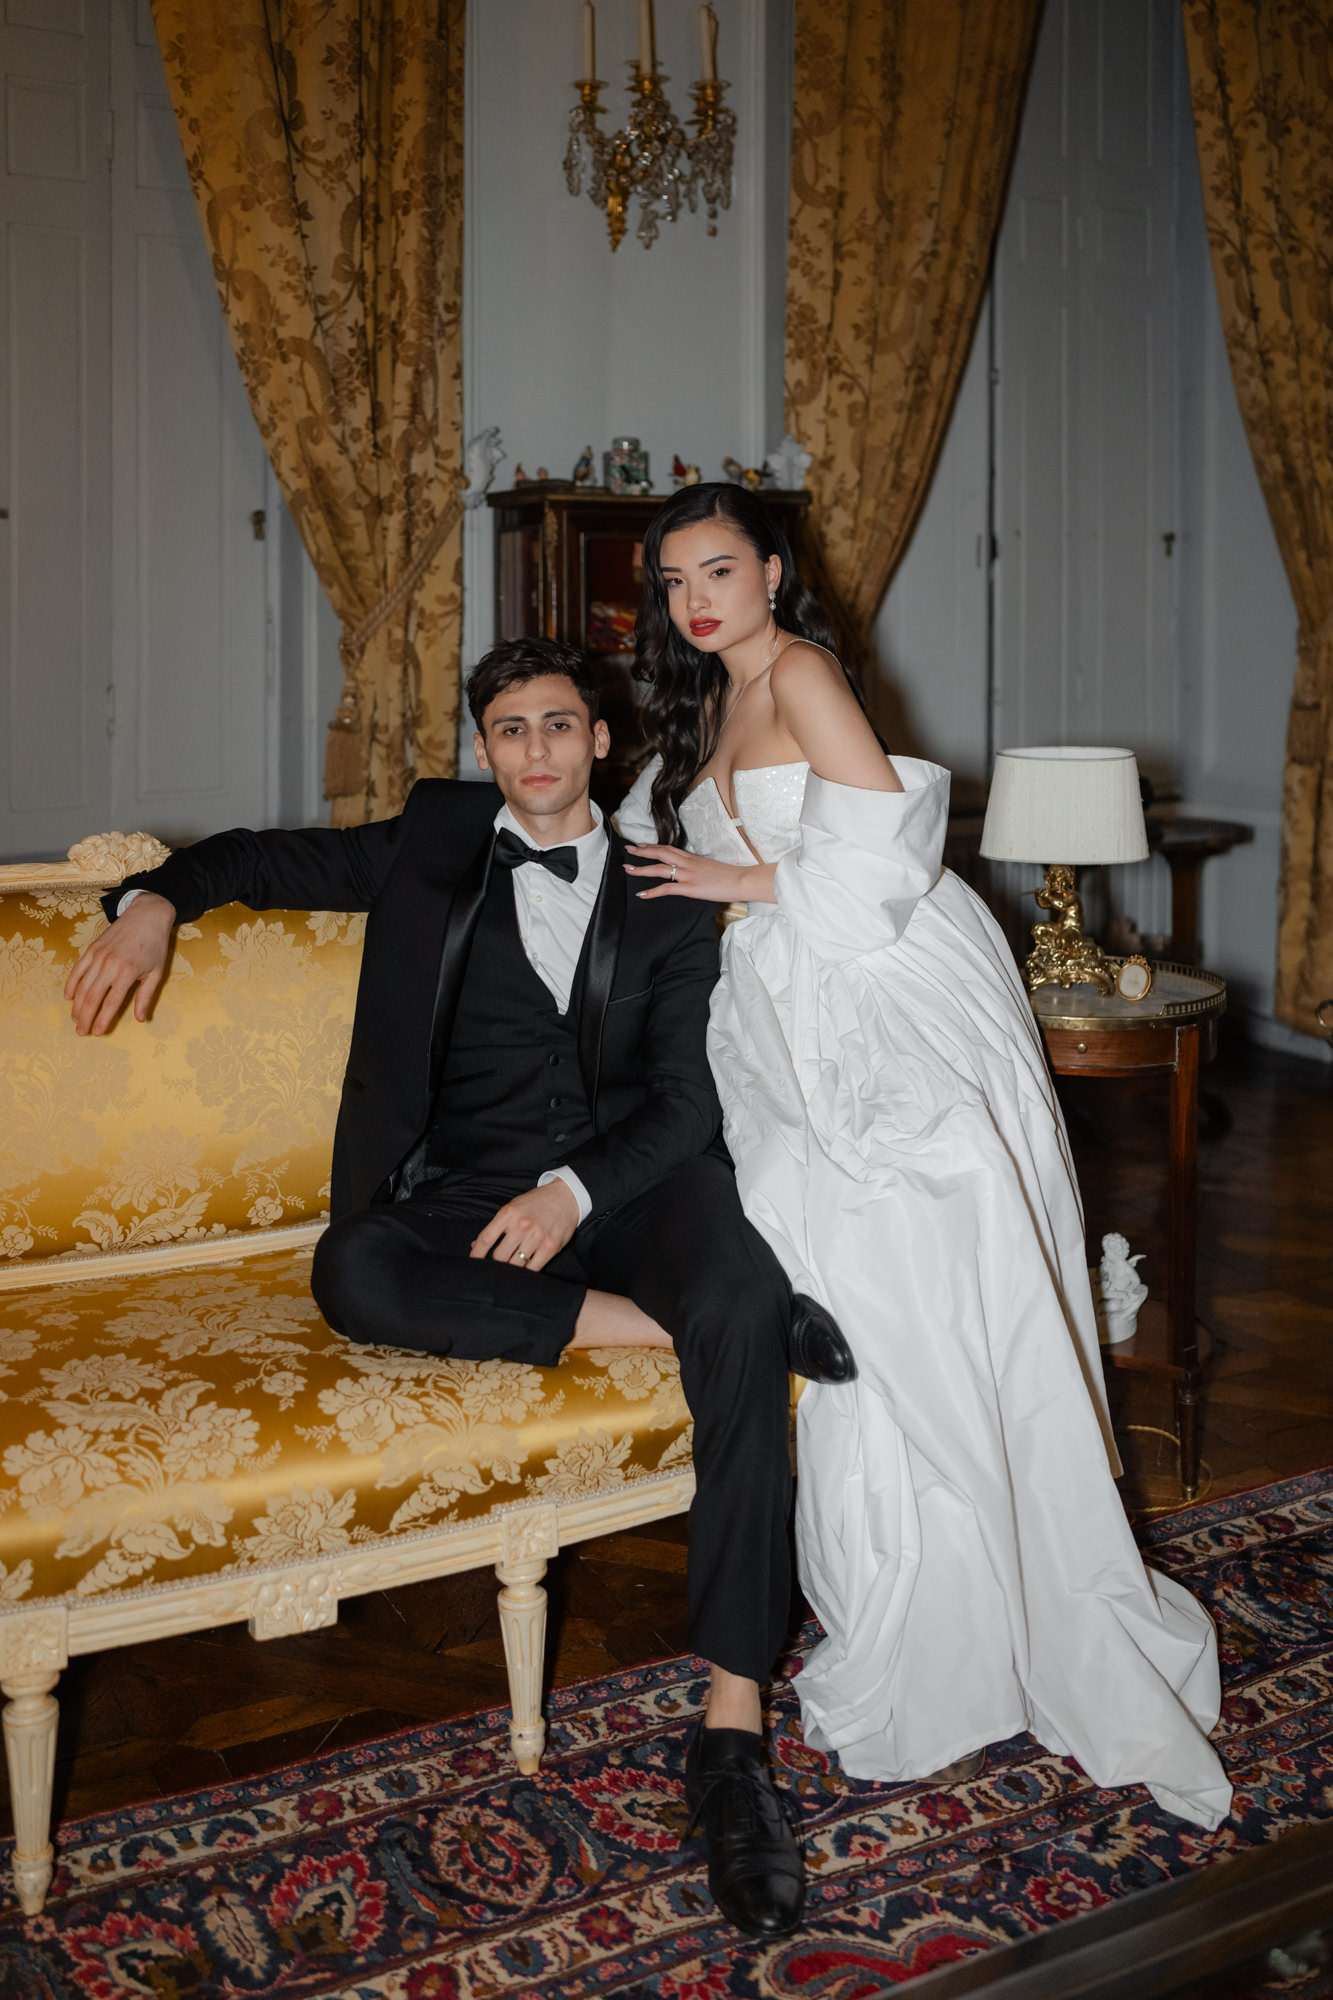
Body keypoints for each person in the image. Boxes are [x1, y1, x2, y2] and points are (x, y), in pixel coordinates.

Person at [64, 636, 861, 1940]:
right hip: (462, 1190)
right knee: (355, 1269)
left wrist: (574, 1195)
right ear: (485, 749)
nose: (536, 749)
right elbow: (250, 857)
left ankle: (731, 1728)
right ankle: (680, 1327)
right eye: (510, 730)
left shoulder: (668, 887)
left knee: (728, 1278)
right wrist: (150, 901)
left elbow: (683, 1102)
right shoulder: (431, 844)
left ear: (598, 739)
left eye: (558, 724)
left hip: (630, 1184)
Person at [615, 484, 1234, 1830]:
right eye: (673, 581)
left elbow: (885, 861)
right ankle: (914, 1611)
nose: (696, 600)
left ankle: (999, 1611)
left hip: (881, 999)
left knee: (922, 1289)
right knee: (852, 1314)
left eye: (718, 570)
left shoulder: (801, 671)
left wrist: (734, 884)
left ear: (772, 570)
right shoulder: (711, 702)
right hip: (777, 1016)